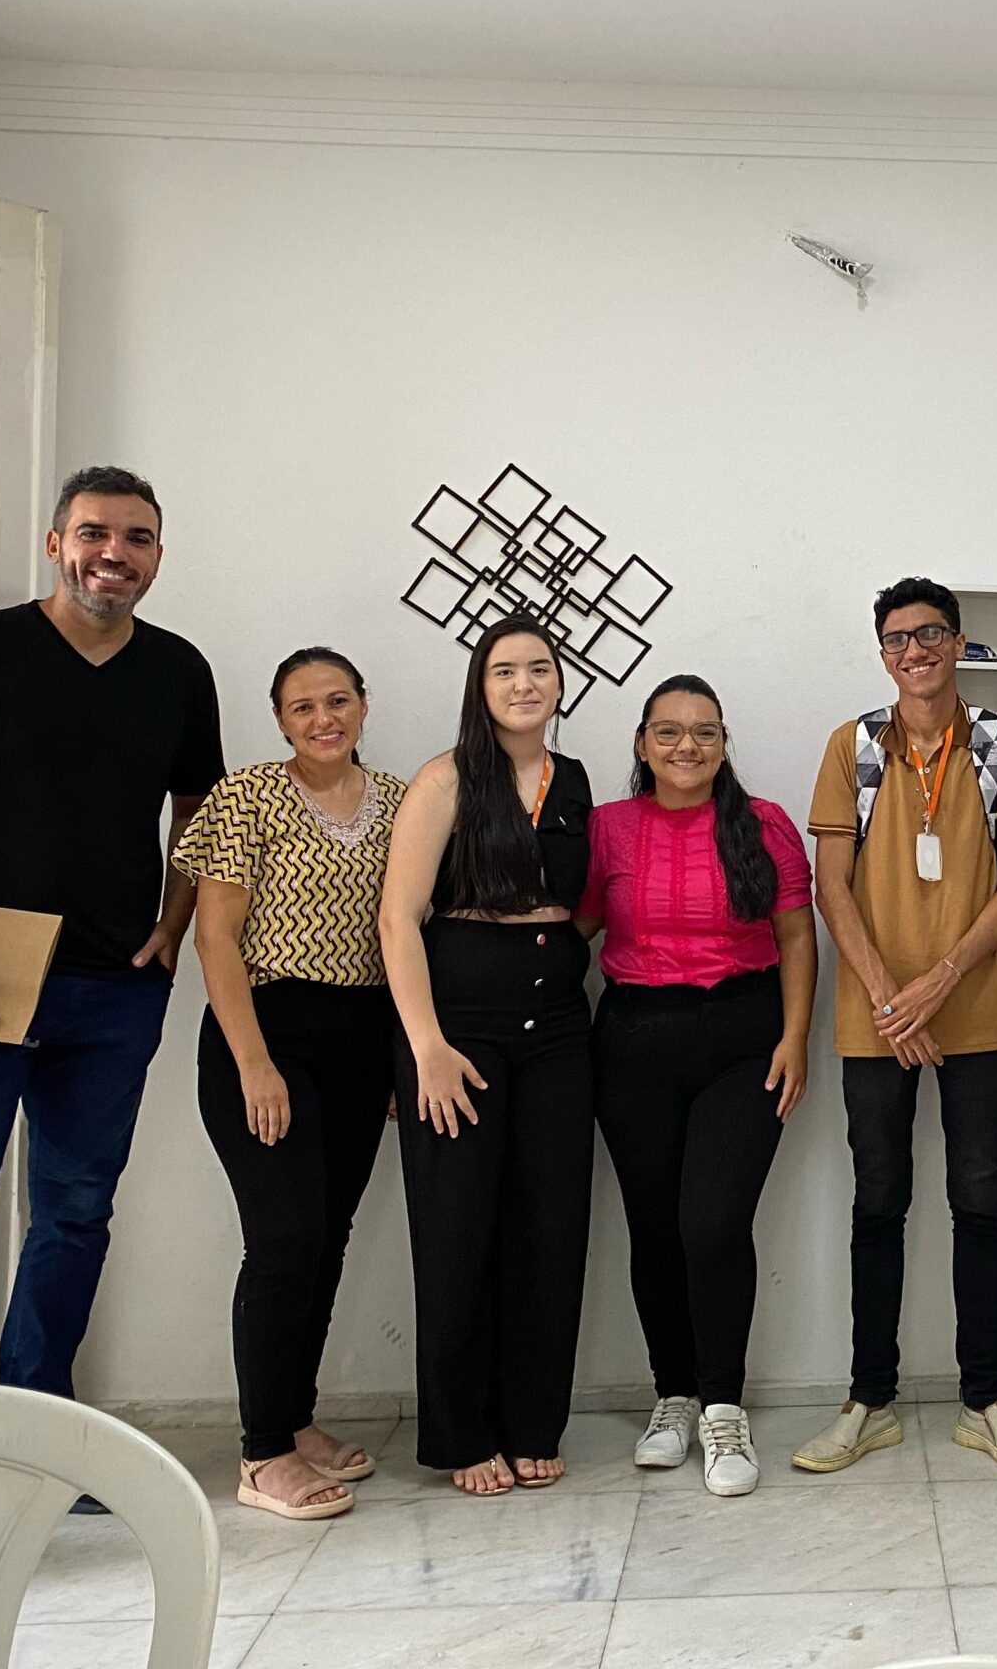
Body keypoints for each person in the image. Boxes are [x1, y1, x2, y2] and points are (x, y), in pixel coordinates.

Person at [0, 466, 223, 1436]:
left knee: (74, 1217)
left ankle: (37, 1436)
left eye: (137, 538)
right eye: (95, 533)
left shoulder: (179, 671)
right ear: (56, 543)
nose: (115, 553)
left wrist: (175, 919)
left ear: (158, 555)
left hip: (114, 989)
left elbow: (199, 809)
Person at [793, 577, 997, 1476]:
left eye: (932, 633)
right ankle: (869, 1399)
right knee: (878, 1200)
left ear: (957, 641)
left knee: (979, 1201)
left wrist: (938, 982)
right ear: (883, 653)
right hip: (876, 1017)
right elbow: (830, 886)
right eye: (899, 638)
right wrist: (889, 997)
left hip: (977, 1009)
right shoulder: (853, 744)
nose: (916, 650)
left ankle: (985, 1400)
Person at [177, 647, 405, 1522]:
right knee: (282, 1240)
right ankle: (262, 1452)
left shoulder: (399, 802)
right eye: (302, 707)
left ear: (363, 705)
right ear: (279, 719)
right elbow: (214, 939)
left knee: (326, 1237)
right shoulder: (246, 797)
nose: (322, 719)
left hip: (361, 1044)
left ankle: (295, 1419)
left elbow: (404, 934)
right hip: (264, 1037)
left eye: (337, 701)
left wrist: (401, 1057)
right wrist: (254, 1064)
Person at [580, 676, 817, 1498]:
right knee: (654, 1228)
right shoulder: (606, 828)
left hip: (743, 1042)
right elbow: (574, 933)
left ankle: (722, 1406)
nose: (688, 746)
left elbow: (796, 937)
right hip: (634, 1041)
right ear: (642, 744)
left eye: (705, 732)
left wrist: (794, 1039)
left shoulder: (765, 824)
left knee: (712, 1224)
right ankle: (674, 1395)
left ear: (723, 744)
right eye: (670, 732)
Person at [378, 615, 596, 1497]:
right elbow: (398, 919)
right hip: (459, 1028)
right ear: (481, 686)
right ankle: (463, 1435)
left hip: (561, 1030)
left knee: (551, 1228)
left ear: (559, 683)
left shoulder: (574, 780)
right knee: (457, 1228)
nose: (523, 685)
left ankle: (533, 1423)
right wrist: (425, 1046)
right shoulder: (446, 778)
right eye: (504, 671)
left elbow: (581, 904)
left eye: (538, 669)